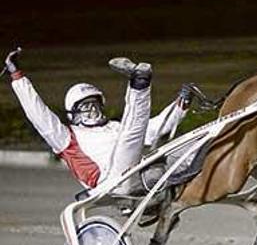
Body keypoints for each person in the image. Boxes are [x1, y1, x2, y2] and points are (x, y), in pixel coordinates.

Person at [4, 48, 192, 195]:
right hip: (109, 182)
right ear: (74, 114)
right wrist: (17, 76)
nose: (92, 111)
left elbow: (155, 129)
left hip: (139, 172)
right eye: (86, 107)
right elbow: (37, 113)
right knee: (130, 135)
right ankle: (139, 84)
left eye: (95, 105)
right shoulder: (66, 137)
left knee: (187, 145)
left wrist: (180, 106)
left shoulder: (114, 127)